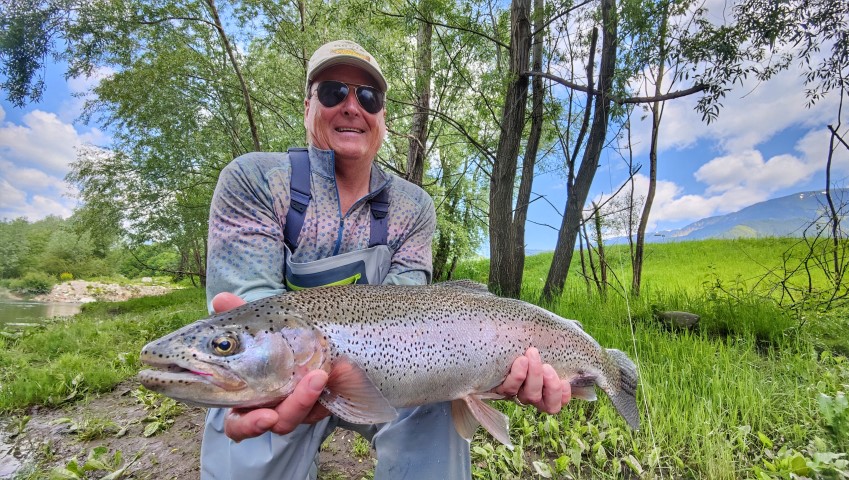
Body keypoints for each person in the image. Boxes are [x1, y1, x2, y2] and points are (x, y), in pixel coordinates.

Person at [200, 39, 572, 480]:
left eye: (368, 97)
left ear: (382, 118)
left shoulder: (413, 207)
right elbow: (252, 318)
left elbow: (411, 315)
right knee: (251, 401)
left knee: (437, 401)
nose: (352, 107)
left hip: (392, 373)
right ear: (307, 107)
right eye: (333, 92)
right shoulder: (255, 180)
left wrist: (485, 370)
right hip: (291, 379)